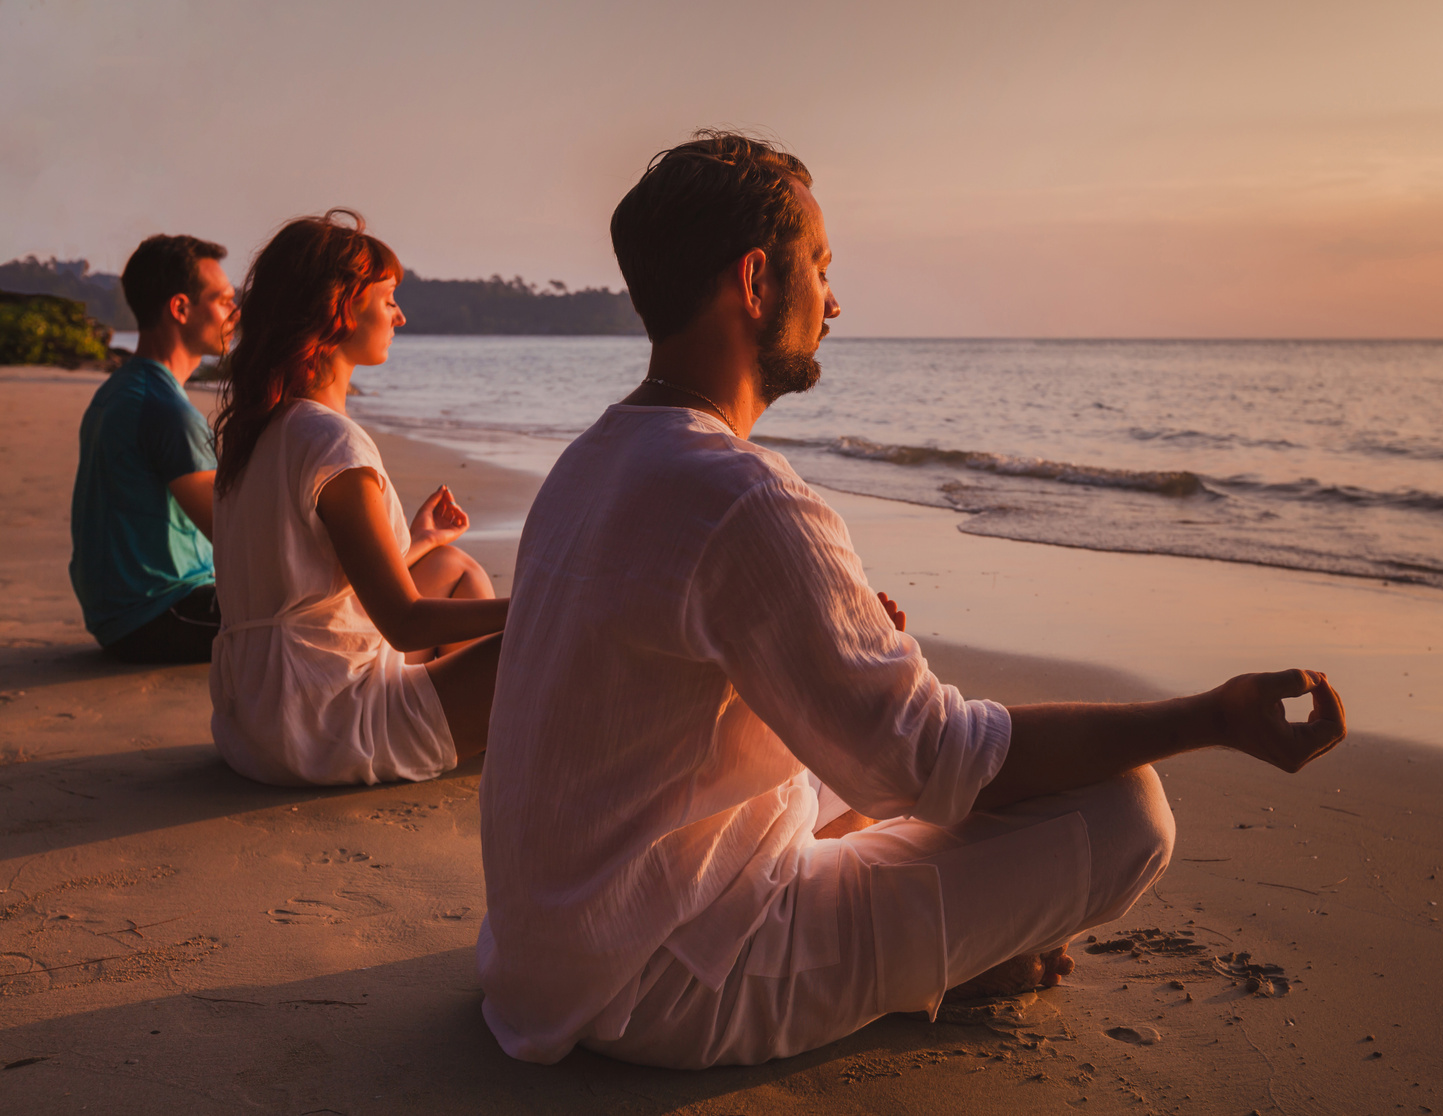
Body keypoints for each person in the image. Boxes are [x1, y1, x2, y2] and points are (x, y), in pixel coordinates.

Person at [477, 132, 1348, 1069]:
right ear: (757, 281)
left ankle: (914, 956)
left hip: (547, 954)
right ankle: (925, 977)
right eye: (820, 267)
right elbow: (940, 762)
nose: (836, 301)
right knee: (1128, 814)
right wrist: (1212, 716)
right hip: (662, 985)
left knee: (867, 765)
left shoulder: (590, 462)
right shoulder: (742, 496)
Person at [207, 210, 506, 787]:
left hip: (255, 721)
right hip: (323, 727)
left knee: (450, 564)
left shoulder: (257, 432)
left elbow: (303, 584)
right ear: (340, 307)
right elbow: (404, 622)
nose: (400, 314)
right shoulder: (331, 440)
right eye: (389, 297)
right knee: (554, 631)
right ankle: (490, 729)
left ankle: (484, 727)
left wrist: (415, 540)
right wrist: (546, 602)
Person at [69, 234, 238, 662]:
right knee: (320, 616)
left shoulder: (123, 390)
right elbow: (233, 536)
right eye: (223, 301)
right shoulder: (164, 408)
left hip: (123, 611)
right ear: (180, 308)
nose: (235, 314)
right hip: (157, 613)